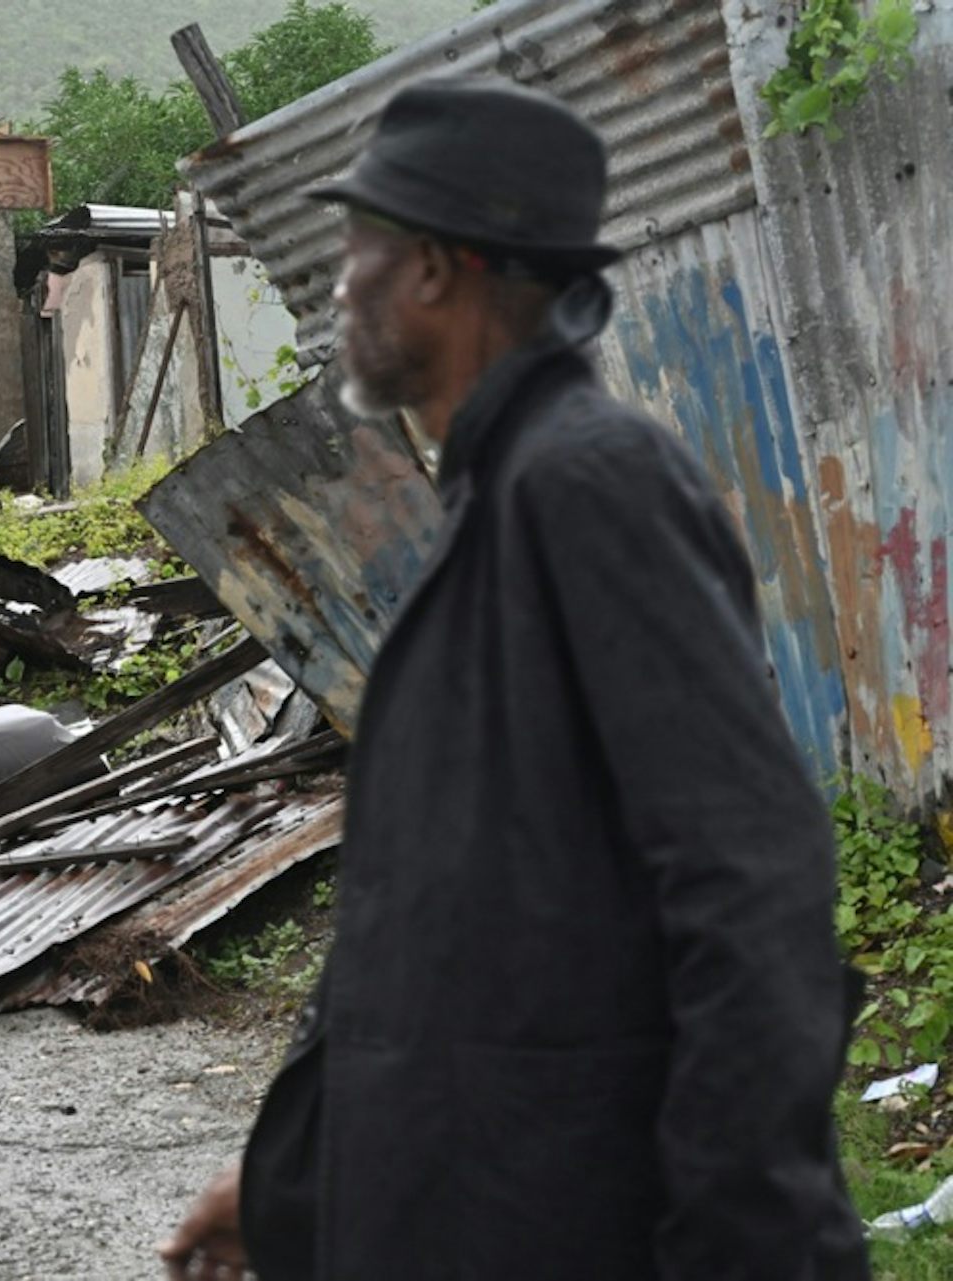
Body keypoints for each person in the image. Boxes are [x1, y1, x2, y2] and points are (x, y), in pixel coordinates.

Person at [159, 76, 868, 1281]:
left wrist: (742, 1240)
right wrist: (298, 1186)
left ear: (436, 269)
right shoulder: (501, 501)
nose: (340, 289)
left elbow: (753, 888)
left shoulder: (590, 487)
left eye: (356, 250)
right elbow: (455, 934)